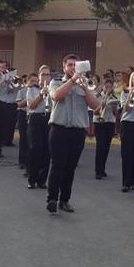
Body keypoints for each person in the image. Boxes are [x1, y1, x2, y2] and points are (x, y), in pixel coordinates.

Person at [46, 54, 101, 213]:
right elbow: (56, 96)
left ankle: (65, 200)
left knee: (70, 167)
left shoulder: (84, 85)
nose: (72, 67)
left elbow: (96, 105)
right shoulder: (56, 82)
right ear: (64, 67)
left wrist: (83, 86)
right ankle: (52, 199)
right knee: (57, 165)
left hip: (77, 131)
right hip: (59, 129)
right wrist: (72, 81)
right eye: (69, 65)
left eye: (75, 65)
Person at [24, 65, 52, 190]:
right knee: (35, 149)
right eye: (43, 74)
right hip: (35, 119)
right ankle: (32, 179)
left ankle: (42, 180)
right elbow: (31, 106)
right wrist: (41, 94)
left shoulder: (54, 88)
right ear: (39, 76)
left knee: (47, 151)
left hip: (48, 119)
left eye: (47, 74)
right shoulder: (32, 89)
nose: (45, 76)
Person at [93, 78, 118, 180]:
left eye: (110, 87)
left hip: (109, 123)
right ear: (103, 87)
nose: (108, 89)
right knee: (100, 147)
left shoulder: (114, 97)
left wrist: (114, 107)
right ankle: (97, 170)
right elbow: (94, 112)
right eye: (106, 86)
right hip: (99, 123)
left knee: (106, 147)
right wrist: (101, 105)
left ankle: (102, 169)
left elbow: (115, 114)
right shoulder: (97, 96)